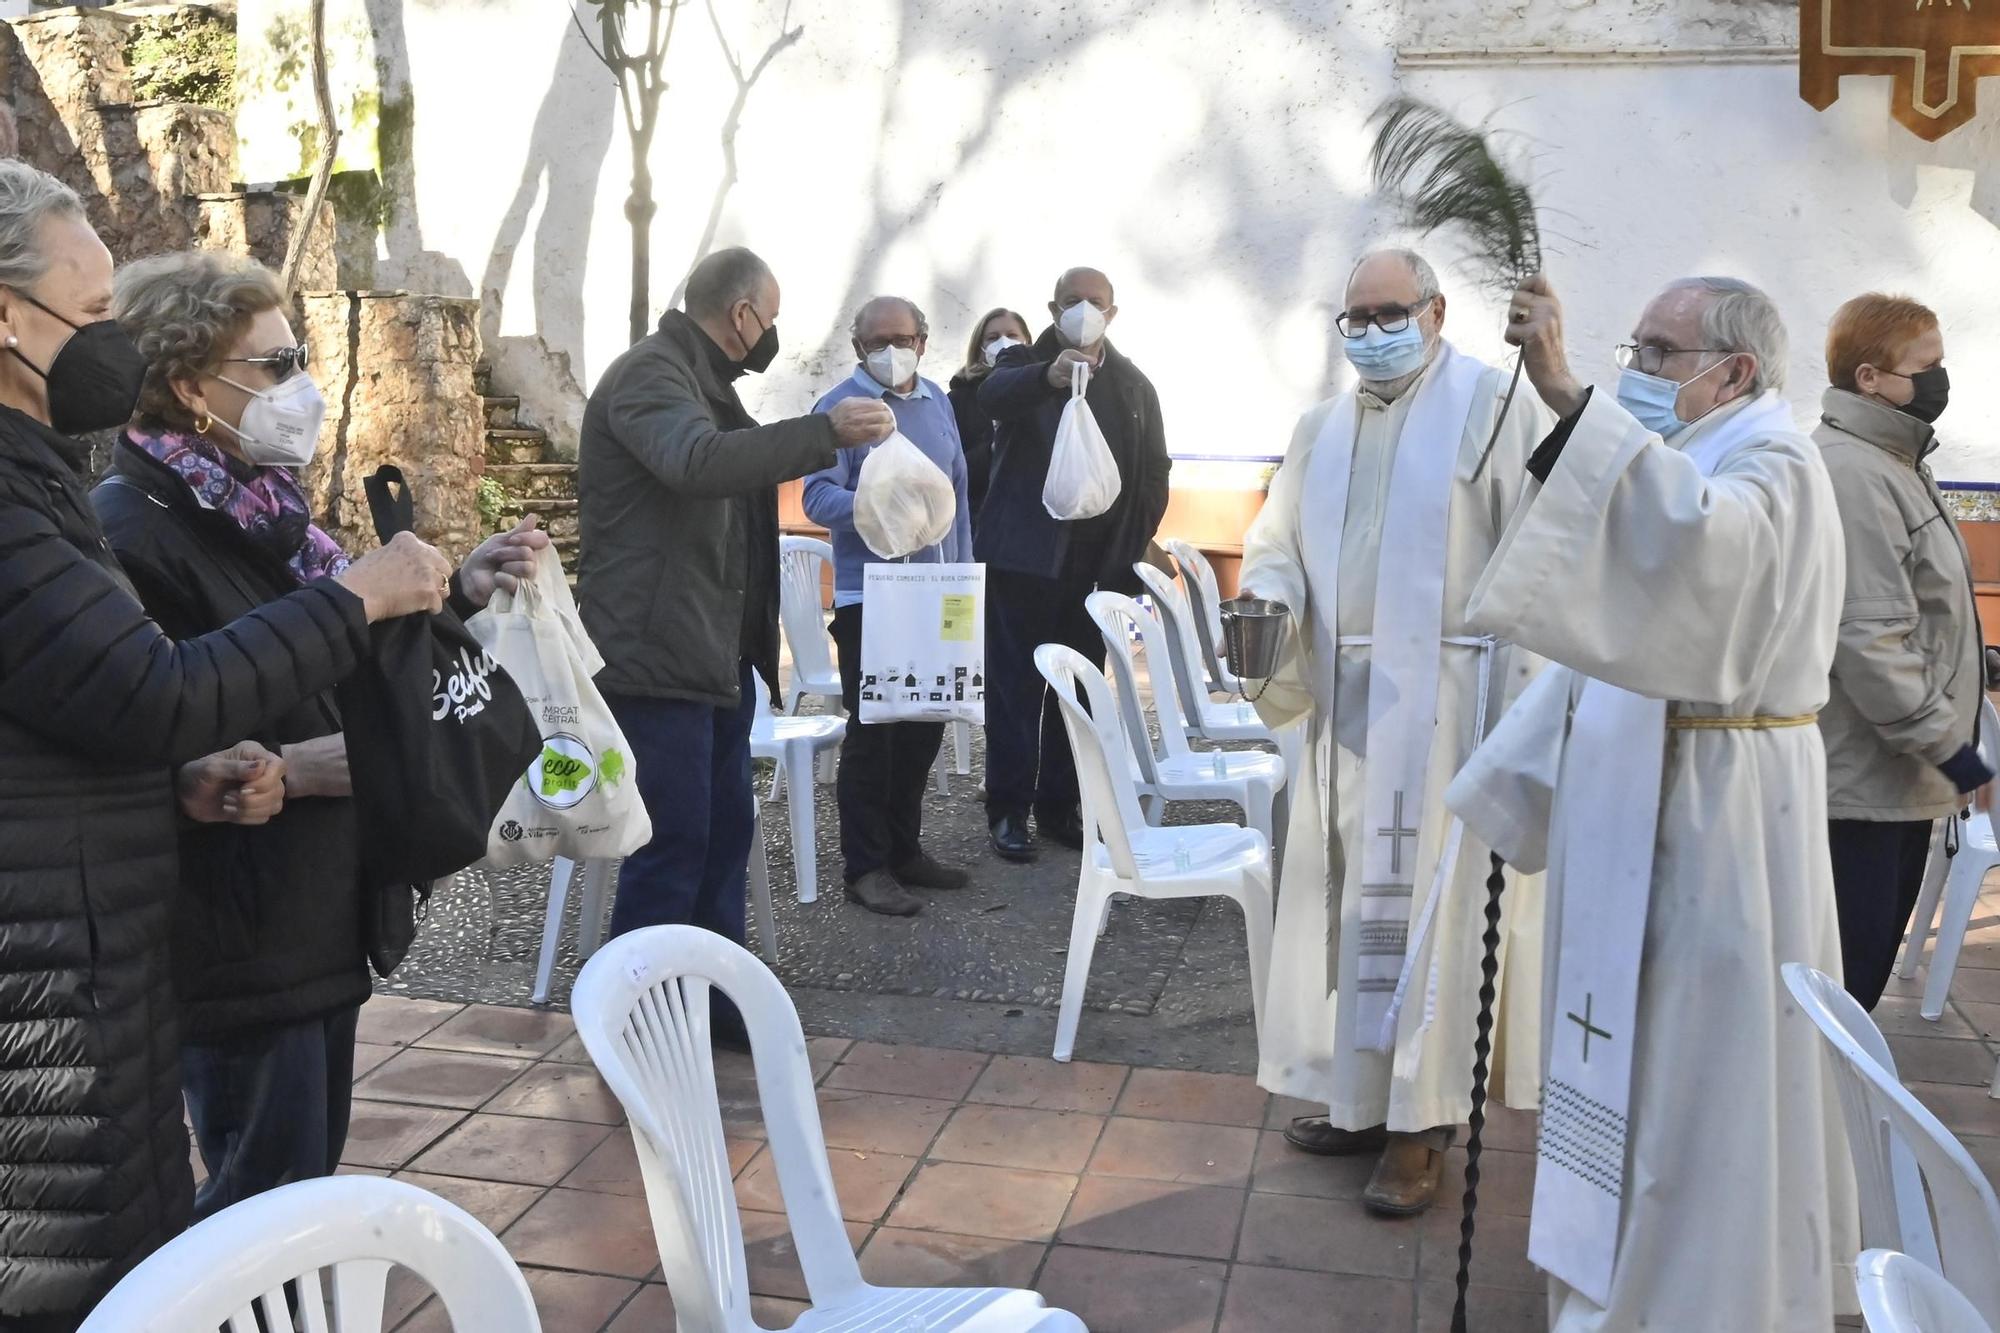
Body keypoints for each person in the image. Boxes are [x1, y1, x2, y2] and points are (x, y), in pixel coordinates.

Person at [0, 159, 448, 1331]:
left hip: (109, 966)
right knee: (190, 1254)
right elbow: (150, 684)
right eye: (91, 317)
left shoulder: (51, 482)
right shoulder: (72, 505)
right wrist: (356, 602)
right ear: (8, 314)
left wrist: (176, 772)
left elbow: (75, 703)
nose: (109, 345)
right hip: (72, 988)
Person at [94, 249, 550, 1223]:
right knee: (261, 1206)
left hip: (313, 911)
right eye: (275, 363)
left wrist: (456, 592)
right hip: (243, 933)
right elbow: (163, 728)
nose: (301, 385)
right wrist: (302, 772)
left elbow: (325, 649)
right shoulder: (136, 527)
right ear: (187, 385)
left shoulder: (257, 509)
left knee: (296, 1180)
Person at [1445, 273, 1857, 1331]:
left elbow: (1694, 560)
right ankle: (1613, 1271)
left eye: (1656, 354)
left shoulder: (1776, 459)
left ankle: (1701, 1295)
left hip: (1724, 813)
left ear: (1734, 371)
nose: (1638, 373)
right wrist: (1512, 778)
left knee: (1701, 1072)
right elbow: (1612, 636)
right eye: (1631, 351)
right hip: (1663, 791)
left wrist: (1569, 395)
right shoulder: (1699, 449)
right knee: (1632, 1050)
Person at [1236, 249, 1550, 1216]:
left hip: (1451, 708)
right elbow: (1276, 543)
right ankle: (1359, 1096)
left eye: (1388, 311)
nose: (1370, 330)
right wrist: (1268, 600)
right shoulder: (1319, 427)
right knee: (1350, 910)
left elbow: (1544, 541)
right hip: (1346, 709)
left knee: (1429, 920)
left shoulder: (1495, 407)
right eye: (1355, 316)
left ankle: (1421, 1125)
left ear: (1435, 310)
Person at [577, 247, 892, 1031]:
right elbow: (697, 462)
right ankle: (642, 1026)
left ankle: (713, 1010)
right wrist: (821, 432)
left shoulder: (705, 384)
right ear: (741, 315)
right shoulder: (652, 375)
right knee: (672, 844)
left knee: (723, 838)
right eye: (771, 318)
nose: (772, 334)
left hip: (710, 654)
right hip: (655, 656)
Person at [1813, 294, 1989, 1010]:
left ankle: (1826, 1118)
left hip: (1896, 777)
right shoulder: (1854, 472)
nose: (1941, 381)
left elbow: (1917, 606)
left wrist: (1980, 660)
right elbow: (1866, 636)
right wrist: (1954, 750)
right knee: (1844, 979)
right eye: (1929, 366)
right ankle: (1813, 1120)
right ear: (1870, 378)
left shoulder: (1896, 459)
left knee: (1862, 969)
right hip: (1861, 780)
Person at [976, 267, 1170, 861]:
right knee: (1014, 690)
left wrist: (1128, 549)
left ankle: (1061, 804)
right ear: (1052, 309)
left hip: (1095, 567)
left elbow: (1154, 472)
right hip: (1023, 563)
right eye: (1071, 302)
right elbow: (992, 394)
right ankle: (1008, 808)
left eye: (1095, 302)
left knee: (1080, 692)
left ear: (1113, 313)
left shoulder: (1133, 386)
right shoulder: (1022, 367)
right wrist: (1047, 375)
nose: (1083, 310)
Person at [803, 295, 974, 916]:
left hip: (935, 593)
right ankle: (866, 866)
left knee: (924, 725)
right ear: (858, 349)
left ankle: (906, 849)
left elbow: (957, 500)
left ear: (924, 343)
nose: (891, 351)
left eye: (902, 338)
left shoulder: (938, 404)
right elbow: (817, 499)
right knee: (876, 733)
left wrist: (963, 584)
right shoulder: (838, 410)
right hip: (869, 597)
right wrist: (878, 507)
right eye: (877, 342)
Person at [946, 307, 1032, 527]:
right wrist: (992, 448)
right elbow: (950, 472)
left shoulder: (1045, 392)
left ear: (1027, 342)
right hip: (981, 523)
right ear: (979, 348)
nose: (1003, 343)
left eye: (1012, 336)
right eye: (992, 338)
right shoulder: (958, 400)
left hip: (1034, 528)